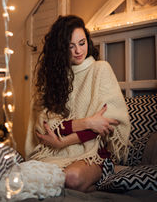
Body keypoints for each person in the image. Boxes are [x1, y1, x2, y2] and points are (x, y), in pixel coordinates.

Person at [25, 15, 130, 192]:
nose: (78, 51)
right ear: (60, 49)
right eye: (70, 46)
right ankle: (90, 189)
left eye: (82, 43)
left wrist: (62, 142)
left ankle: (92, 184)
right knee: (29, 177)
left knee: (71, 178)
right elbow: (46, 128)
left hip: (94, 154)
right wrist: (88, 122)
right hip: (53, 151)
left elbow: (106, 125)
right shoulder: (52, 79)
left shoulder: (100, 69)